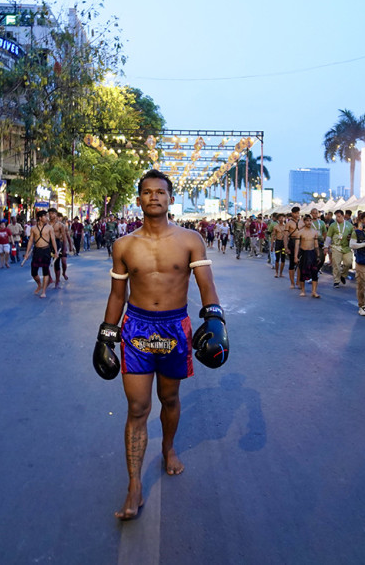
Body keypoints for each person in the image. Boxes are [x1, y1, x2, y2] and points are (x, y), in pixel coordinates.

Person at [94, 169, 227, 520]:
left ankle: (168, 447)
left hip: (174, 329)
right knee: (137, 408)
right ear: (139, 199)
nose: (154, 196)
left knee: (169, 398)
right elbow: (117, 295)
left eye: (160, 192)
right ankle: (134, 484)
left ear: (170, 198)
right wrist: (106, 336)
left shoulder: (190, 240)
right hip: (136, 329)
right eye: (148, 192)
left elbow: (206, 285)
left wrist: (215, 320)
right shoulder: (124, 245)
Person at [21, 210, 58, 298]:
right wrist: (27, 253)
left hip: (46, 250)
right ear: (40, 218)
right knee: (33, 272)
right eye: (45, 216)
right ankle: (39, 284)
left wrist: (56, 252)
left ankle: (44, 291)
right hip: (37, 251)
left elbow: (53, 240)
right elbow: (30, 241)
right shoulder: (33, 228)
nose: (47, 218)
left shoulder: (49, 228)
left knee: (45, 271)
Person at [293, 214, 321, 298]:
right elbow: (297, 245)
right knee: (303, 273)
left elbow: (316, 245)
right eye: (307, 220)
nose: (309, 222)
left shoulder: (314, 232)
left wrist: (318, 255)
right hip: (303, 254)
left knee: (314, 273)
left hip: (312, 253)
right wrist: (295, 256)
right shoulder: (300, 232)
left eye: (310, 220)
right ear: (304, 222)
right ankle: (303, 291)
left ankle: (314, 292)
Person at [326, 210, 354, 288]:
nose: (337, 218)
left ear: (343, 216)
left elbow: (353, 235)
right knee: (336, 264)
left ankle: (343, 275)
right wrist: (326, 246)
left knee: (348, 263)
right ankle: (336, 281)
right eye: (336, 217)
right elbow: (329, 236)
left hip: (346, 247)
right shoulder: (333, 225)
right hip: (336, 247)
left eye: (339, 216)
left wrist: (350, 237)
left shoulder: (349, 225)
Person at [49, 208, 71, 287]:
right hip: (48, 243)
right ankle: (50, 278)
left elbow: (65, 237)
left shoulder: (61, 225)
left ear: (55, 214)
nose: (50, 215)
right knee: (45, 262)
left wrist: (66, 247)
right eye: (49, 213)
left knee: (59, 263)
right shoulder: (46, 224)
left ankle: (59, 278)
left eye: (52, 213)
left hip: (58, 244)